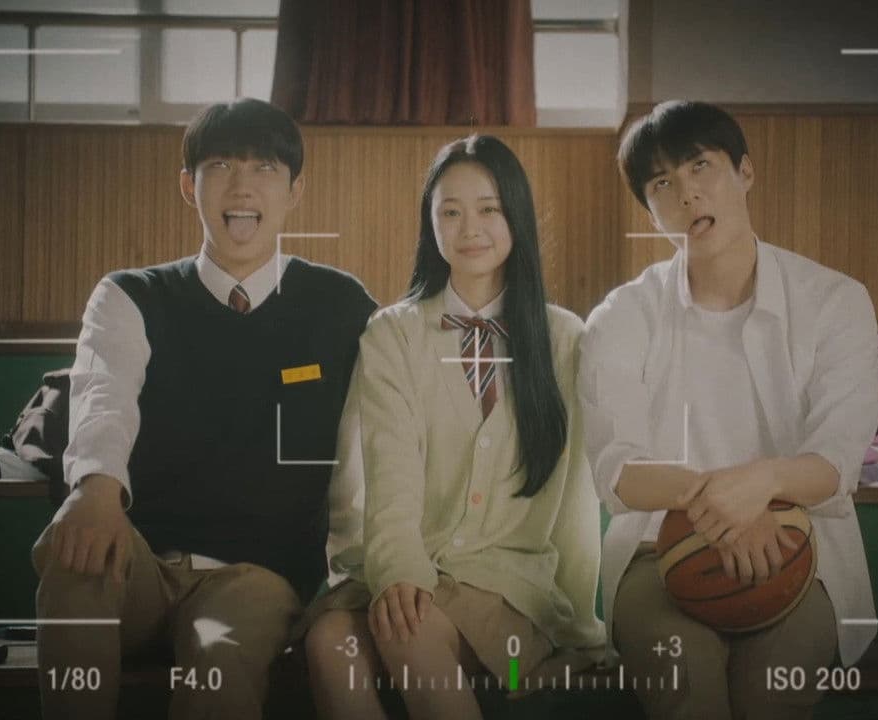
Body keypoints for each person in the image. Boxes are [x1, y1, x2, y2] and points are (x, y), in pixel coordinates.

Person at [30, 97, 377, 720]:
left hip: (255, 580)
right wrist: (94, 487)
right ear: (189, 186)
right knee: (76, 547)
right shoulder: (131, 296)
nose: (242, 186)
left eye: (265, 168)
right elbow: (105, 396)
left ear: (295, 191)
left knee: (219, 661)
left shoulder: (341, 305)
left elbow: (391, 420)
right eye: (220, 165)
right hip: (138, 561)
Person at [578, 100, 878, 720]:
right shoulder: (621, 316)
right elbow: (617, 471)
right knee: (688, 686)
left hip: (803, 549)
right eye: (662, 183)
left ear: (745, 171)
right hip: (658, 556)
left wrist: (763, 485)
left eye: (700, 166)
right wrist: (726, 507)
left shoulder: (836, 301)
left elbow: (837, 461)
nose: (687, 193)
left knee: (770, 694)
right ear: (650, 211)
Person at [302, 135, 606, 720]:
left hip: (510, 588)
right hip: (406, 567)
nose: (471, 228)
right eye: (450, 212)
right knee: (330, 644)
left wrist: (581, 632)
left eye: (489, 208)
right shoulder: (392, 334)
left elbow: (576, 498)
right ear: (431, 224)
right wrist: (399, 571)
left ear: (517, 215)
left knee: (409, 633)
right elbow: (388, 471)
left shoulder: (566, 338)